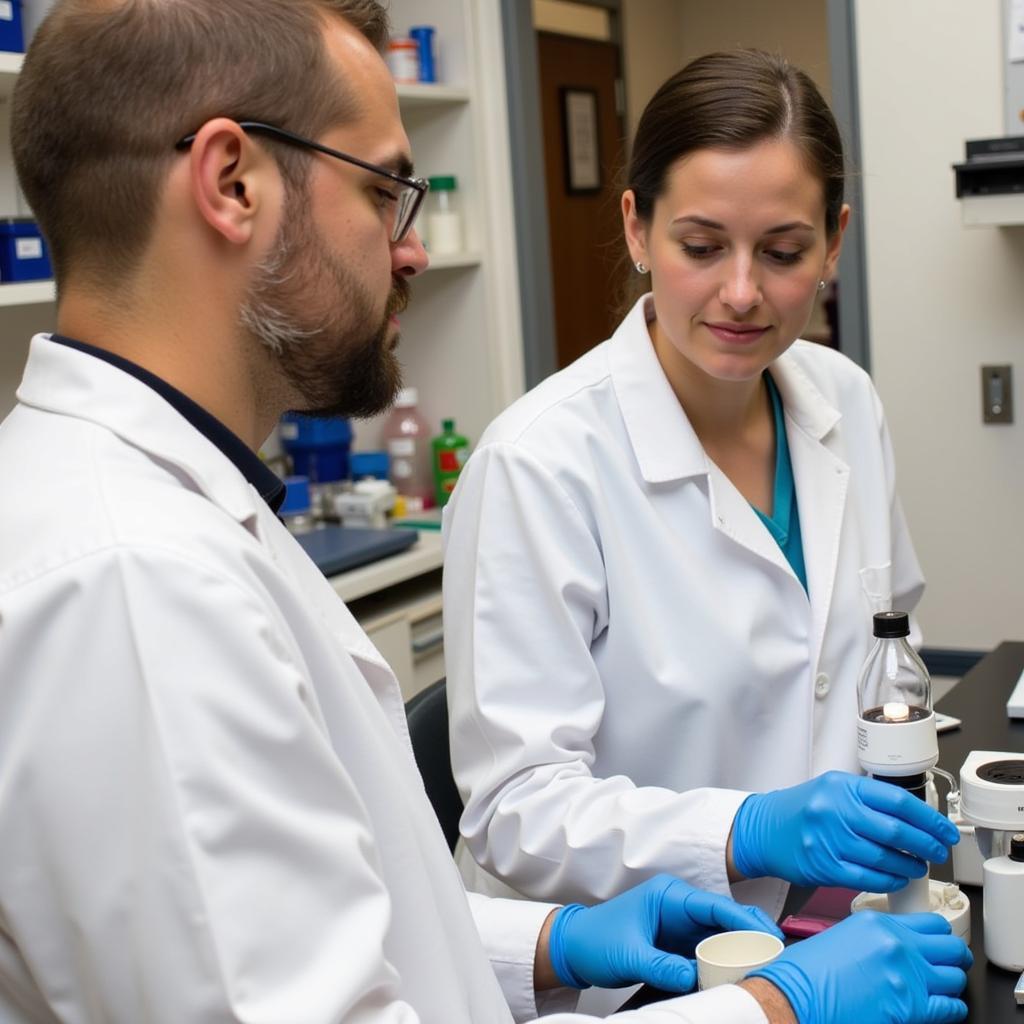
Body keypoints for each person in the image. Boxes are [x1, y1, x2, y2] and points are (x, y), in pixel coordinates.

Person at [0, 5, 971, 1024]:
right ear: (232, 183)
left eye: (781, 248)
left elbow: (350, 924)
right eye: (382, 192)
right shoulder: (132, 580)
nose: (410, 252)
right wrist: (775, 1009)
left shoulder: (182, 521)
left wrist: (546, 939)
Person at [443, 49, 954, 925]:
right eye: (702, 246)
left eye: (785, 251)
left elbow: (887, 651)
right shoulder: (539, 463)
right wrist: (745, 831)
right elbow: (516, 811)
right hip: (626, 967)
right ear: (638, 229)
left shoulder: (845, 400)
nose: (743, 293)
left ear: (834, 239)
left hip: (829, 921)